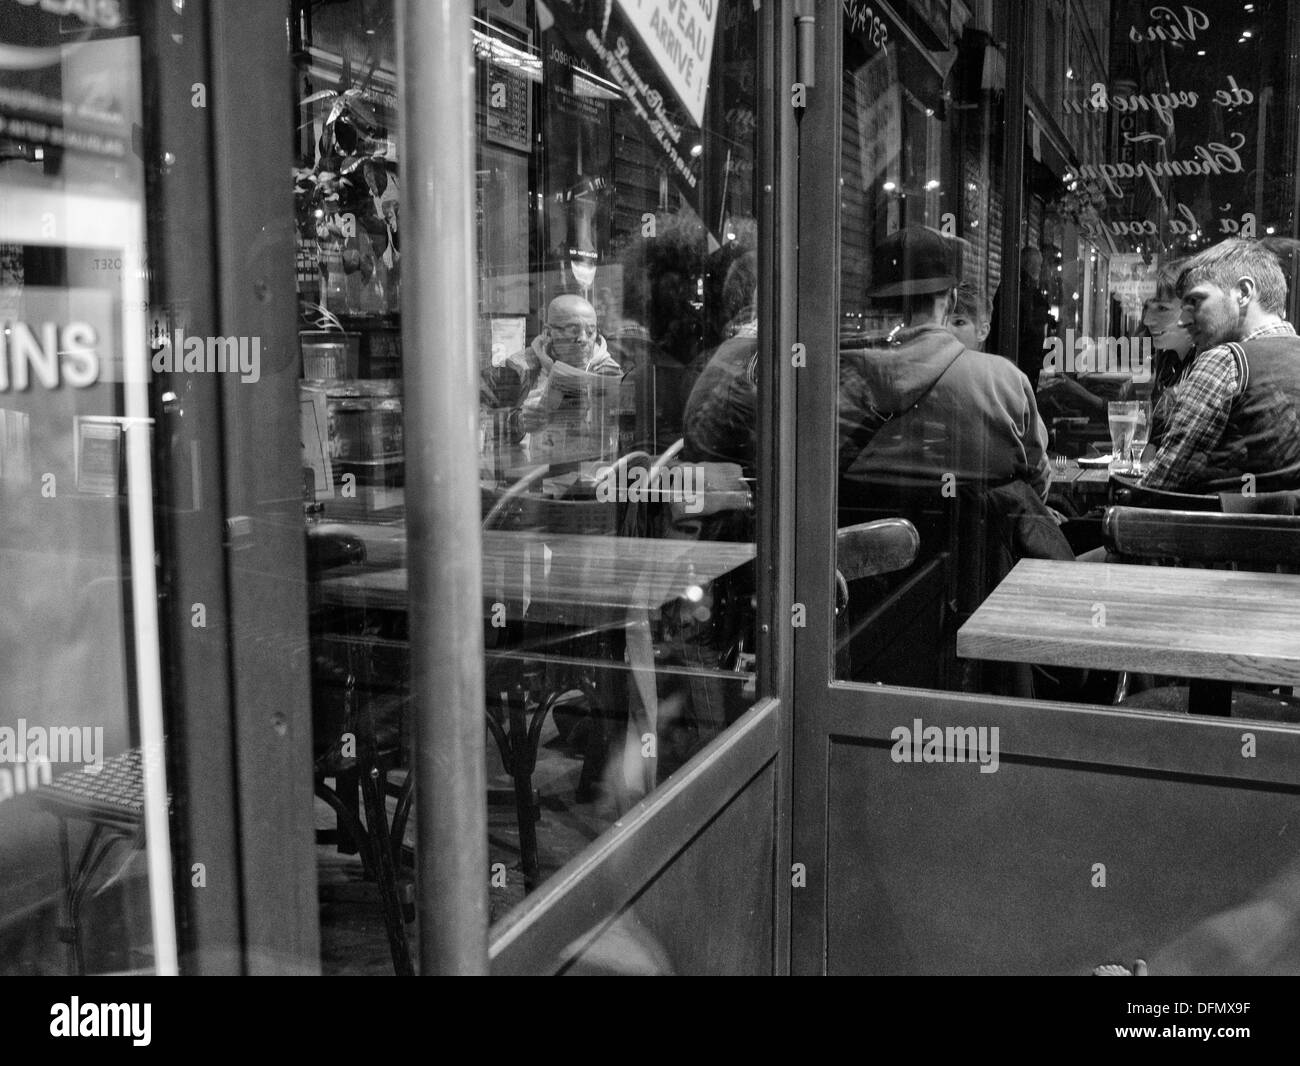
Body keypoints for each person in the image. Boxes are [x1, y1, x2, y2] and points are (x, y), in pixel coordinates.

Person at [840, 225, 1052, 499]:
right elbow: (1038, 482)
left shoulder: (834, 380)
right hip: (980, 540)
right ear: (951, 300)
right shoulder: (1004, 382)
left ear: (875, 303)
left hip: (860, 541)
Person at [1141, 237, 1300, 494]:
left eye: (1196, 301)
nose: (1183, 321)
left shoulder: (1224, 360)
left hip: (1215, 531)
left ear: (1244, 292)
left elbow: (1158, 485)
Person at [482, 294, 622, 445]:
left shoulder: (609, 371)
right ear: (548, 333)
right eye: (573, 330)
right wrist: (517, 422)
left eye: (590, 332)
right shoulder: (518, 367)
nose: (583, 339)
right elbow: (474, 416)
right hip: (534, 464)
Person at [1141, 263, 1197, 452]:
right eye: (1146, 308)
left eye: (1162, 308)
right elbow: (1156, 438)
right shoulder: (1168, 360)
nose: (1147, 320)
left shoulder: (1206, 363)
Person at [944, 282, 991, 351]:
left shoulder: (996, 362)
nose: (946, 329)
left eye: (959, 322)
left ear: (982, 332)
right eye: (941, 322)